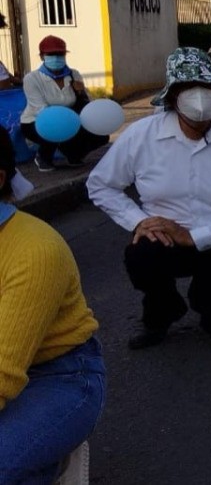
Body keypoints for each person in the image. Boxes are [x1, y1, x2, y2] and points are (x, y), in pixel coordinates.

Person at [87, 48, 211, 349]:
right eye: (188, 90)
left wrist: (193, 236)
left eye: (207, 90)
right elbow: (101, 185)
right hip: (165, 239)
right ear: (173, 98)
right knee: (140, 255)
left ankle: (208, 294)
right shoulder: (141, 135)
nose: (199, 99)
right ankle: (162, 308)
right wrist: (140, 222)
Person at [0, 129, 105, 484]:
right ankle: (42, 459)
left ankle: (51, 450)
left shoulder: (33, 250)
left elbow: (2, 373)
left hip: (60, 377)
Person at [20, 35, 108, 172]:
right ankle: (44, 156)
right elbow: (40, 108)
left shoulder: (73, 74)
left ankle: (73, 153)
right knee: (53, 128)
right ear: (42, 56)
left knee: (100, 135)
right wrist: (65, 123)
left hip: (70, 120)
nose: (56, 58)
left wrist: (80, 92)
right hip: (37, 121)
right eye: (51, 54)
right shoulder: (32, 78)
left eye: (59, 54)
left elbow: (86, 104)